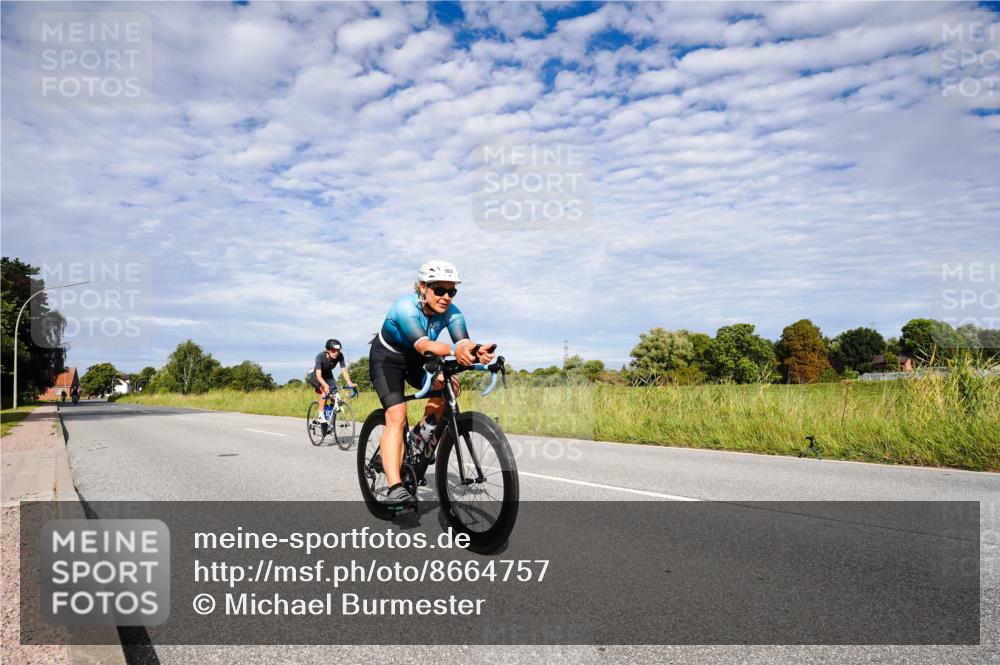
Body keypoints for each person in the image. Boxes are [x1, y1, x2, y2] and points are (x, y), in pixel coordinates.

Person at [370, 260, 494, 509]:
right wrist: (454, 349)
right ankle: (395, 488)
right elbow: (425, 345)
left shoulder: (453, 311)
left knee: (451, 387)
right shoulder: (405, 307)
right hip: (388, 360)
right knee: (396, 415)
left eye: (452, 291)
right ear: (422, 288)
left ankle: (420, 435)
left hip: (417, 361)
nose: (447, 297)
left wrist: (477, 352)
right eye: (439, 290)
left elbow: (464, 343)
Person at [309, 339, 356, 424]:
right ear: (328, 350)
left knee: (335, 394)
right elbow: (319, 376)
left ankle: (330, 416)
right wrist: (325, 385)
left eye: (338, 350)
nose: (336, 353)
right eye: (333, 350)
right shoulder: (320, 357)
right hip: (316, 376)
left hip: (328, 375)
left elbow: (344, 370)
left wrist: (349, 382)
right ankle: (320, 416)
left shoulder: (340, 356)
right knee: (325, 390)